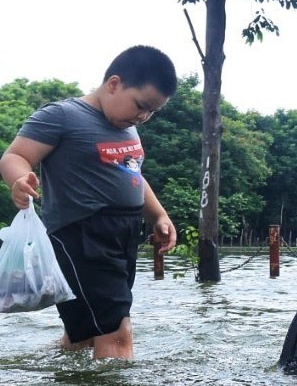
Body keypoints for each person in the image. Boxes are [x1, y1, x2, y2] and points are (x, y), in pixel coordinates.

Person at [1, 45, 179, 361]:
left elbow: (133, 176)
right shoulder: (62, 116)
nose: (143, 116)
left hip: (123, 236)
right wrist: (19, 180)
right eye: (140, 105)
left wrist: (159, 216)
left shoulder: (128, 128)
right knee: (117, 330)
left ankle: (40, 372)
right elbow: (15, 155)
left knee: (83, 334)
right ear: (114, 84)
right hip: (82, 236)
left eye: (152, 111)